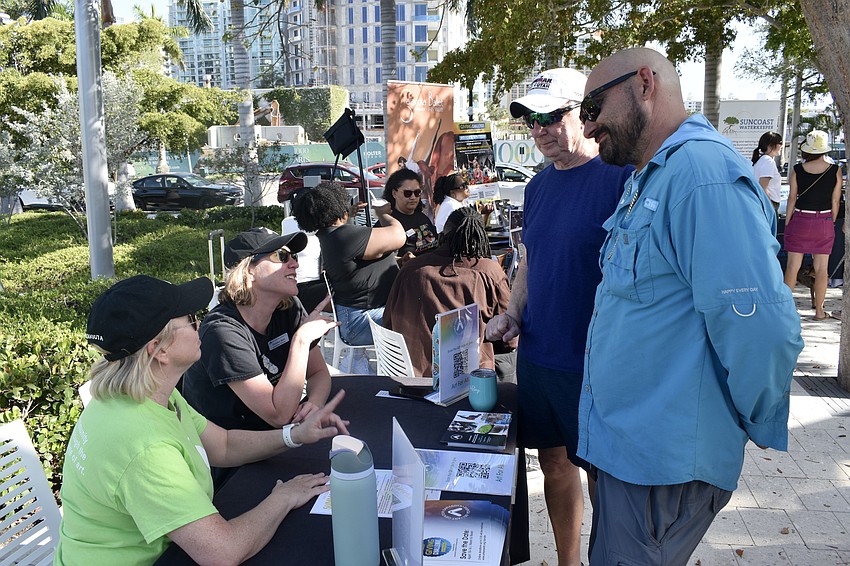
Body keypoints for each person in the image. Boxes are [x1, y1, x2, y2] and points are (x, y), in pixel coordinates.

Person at [578, 47, 803, 564]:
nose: (587, 128)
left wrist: (758, 417)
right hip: (633, 457)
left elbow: (763, 328)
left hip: (663, 467)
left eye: (593, 108)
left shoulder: (702, 176)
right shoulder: (653, 175)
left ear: (643, 84)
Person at [56, 275, 349, 565]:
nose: (201, 323)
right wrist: (283, 497)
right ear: (160, 349)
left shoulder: (148, 395)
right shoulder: (144, 446)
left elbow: (223, 444)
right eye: (191, 318)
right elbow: (222, 552)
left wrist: (294, 435)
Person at [484, 67, 632, 566]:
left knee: (602, 476)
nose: (540, 128)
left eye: (552, 115)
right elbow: (530, 259)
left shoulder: (623, 178)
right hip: (540, 359)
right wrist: (513, 313)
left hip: (597, 364)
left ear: (587, 116)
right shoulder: (537, 188)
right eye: (531, 119)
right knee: (553, 463)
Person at [182, 228, 336, 434]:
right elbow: (278, 416)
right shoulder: (222, 332)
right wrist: (301, 340)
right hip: (234, 451)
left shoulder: (288, 307)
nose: (295, 264)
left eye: (294, 256)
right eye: (281, 256)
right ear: (248, 270)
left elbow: (318, 373)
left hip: (276, 438)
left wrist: (314, 404)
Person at [384, 207, 515, 379]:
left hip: (411, 375)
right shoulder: (489, 271)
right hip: (471, 378)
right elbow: (509, 338)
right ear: (481, 239)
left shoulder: (411, 269)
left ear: (441, 236)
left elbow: (388, 323)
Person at [292, 181, 405, 350]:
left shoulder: (328, 236)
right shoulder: (344, 236)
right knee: (419, 315)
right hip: (361, 322)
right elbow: (398, 236)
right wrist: (383, 214)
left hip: (352, 318)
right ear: (338, 208)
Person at [783, 129, 843, 320]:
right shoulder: (835, 170)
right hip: (824, 220)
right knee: (822, 269)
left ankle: (784, 311)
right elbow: (835, 201)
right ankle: (819, 311)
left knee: (792, 267)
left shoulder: (797, 170)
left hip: (800, 218)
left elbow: (792, 198)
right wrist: (829, 221)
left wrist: (788, 222)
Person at [378, 167, 438, 263]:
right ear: (394, 193)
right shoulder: (386, 222)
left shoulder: (423, 218)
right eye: (407, 193)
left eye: (417, 192)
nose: (413, 197)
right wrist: (402, 260)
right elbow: (379, 258)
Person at [752, 131, 783, 216]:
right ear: (770, 145)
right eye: (779, 143)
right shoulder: (768, 161)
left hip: (762, 203)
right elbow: (763, 186)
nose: (781, 146)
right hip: (768, 203)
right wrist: (770, 207)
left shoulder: (762, 160)